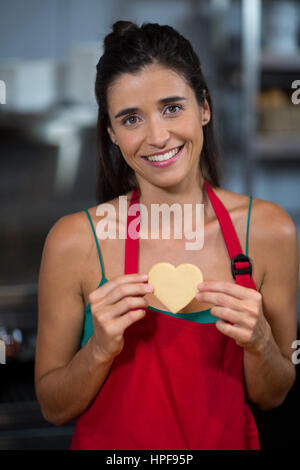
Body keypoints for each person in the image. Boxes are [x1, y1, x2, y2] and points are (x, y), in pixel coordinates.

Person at [35, 21, 299, 450]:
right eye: (131, 119)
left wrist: (262, 344)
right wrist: (99, 348)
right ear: (112, 135)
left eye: (172, 108)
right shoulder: (74, 242)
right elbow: (53, 405)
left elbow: (274, 393)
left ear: (205, 108)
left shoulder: (270, 232)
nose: (157, 137)